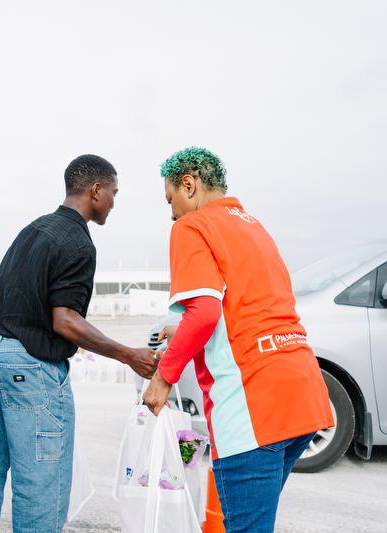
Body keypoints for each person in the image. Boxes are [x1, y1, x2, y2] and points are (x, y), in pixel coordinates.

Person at [142, 147, 334, 533]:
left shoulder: (192, 227)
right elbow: (239, 311)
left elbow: (205, 313)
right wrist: (182, 330)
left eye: (171, 200)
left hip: (253, 409)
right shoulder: (253, 227)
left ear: (189, 185)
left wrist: (163, 379)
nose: (172, 213)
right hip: (304, 397)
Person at [0, 154, 158, 533]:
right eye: (114, 194)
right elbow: (65, 320)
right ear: (96, 191)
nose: (114, 203)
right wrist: (127, 354)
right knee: (40, 483)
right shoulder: (78, 242)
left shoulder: (34, 228)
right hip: (29, 363)